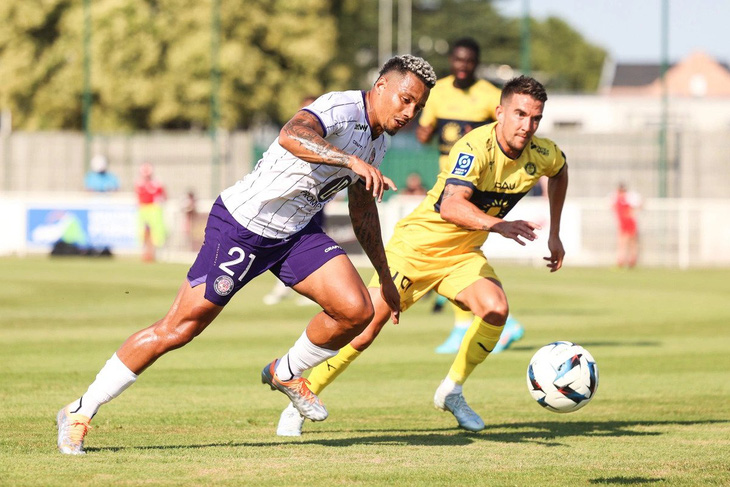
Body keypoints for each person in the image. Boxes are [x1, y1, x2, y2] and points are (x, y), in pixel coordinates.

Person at [55, 54, 436, 455]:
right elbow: (292, 133)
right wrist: (348, 159)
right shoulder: (339, 107)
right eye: (405, 99)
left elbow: (361, 209)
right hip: (242, 226)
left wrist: (387, 279)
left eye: (418, 106)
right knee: (178, 329)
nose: (410, 112)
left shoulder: (380, 141)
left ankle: (285, 373)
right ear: (381, 87)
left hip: (295, 233)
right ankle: (79, 411)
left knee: (356, 311)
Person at [277, 75, 568, 436]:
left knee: (496, 308)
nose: (527, 125)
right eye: (520, 114)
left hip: (462, 255)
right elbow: (450, 206)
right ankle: (300, 402)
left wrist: (554, 233)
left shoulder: (542, 153)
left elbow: (559, 171)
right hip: (415, 250)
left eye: (535, 118)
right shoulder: (474, 147)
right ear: (500, 112)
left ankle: (452, 390)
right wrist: (498, 226)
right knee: (364, 331)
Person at [415, 37, 524, 354]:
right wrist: (423, 127)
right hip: (445, 185)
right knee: (449, 255)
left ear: (476, 62)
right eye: (458, 60)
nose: (463, 66)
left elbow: (506, 134)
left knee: (445, 254)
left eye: (469, 61)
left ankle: (486, 323)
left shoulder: (491, 96)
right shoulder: (438, 92)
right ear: (451, 60)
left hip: (475, 186)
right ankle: (478, 322)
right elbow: (424, 132)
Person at [135, 163, 168, 262]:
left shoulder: (157, 183)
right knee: (144, 232)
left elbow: (164, 195)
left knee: (156, 233)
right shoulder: (139, 183)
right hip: (143, 209)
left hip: (154, 209)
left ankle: (155, 253)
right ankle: (145, 253)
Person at [612, 182, 641, 268]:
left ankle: (631, 260)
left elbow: (638, 205)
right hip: (623, 223)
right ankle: (622, 260)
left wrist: (632, 213)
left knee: (630, 242)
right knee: (623, 242)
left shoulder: (630, 197)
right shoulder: (616, 198)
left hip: (629, 222)